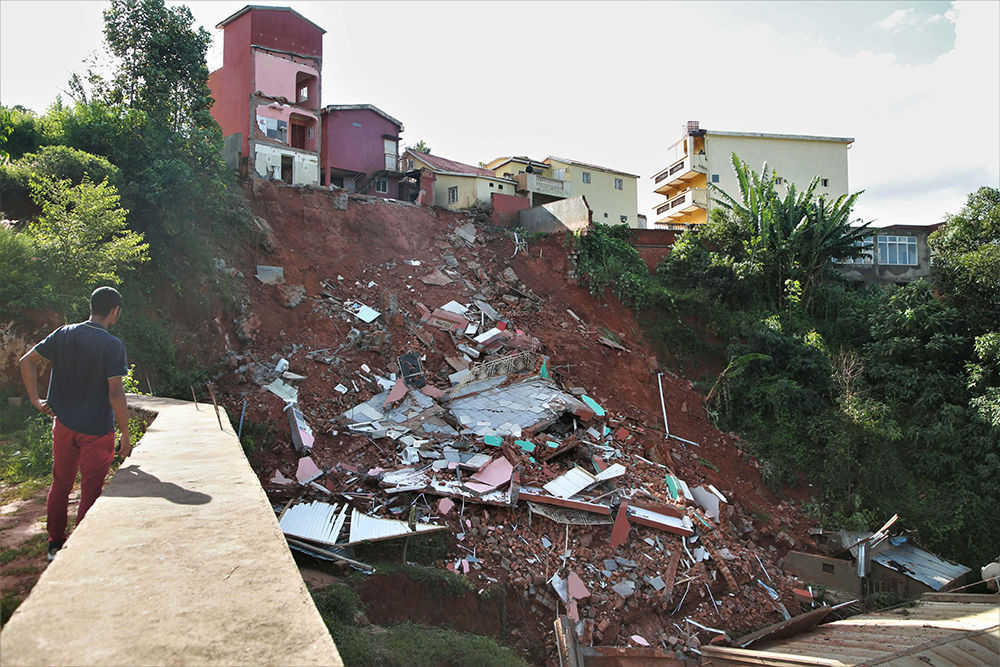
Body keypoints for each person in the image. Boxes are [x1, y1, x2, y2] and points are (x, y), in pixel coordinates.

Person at [18, 287, 131, 560]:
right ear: (115, 311)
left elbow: (26, 361)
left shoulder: (64, 333)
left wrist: (35, 399)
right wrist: (126, 433)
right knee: (90, 488)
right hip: (96, 430)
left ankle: (55, 544)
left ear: (91, 307)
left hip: (64, 424)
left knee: (60, 484)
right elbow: (115, 393)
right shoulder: (112, 345)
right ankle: (80, 549)